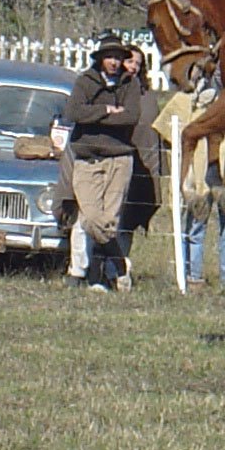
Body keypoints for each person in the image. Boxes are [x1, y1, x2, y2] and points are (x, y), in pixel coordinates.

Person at [152, 91, 225, 291]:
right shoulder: (189, 98)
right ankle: (192, 277)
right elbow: (169, 132)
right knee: (196, 225)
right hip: (199, 172)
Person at [62, 34, 140, 292]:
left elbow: (130, 117)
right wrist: (107, 110)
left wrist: (92, 115)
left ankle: (96, 276)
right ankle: (119, 263)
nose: (114, 63)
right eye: (110, 57)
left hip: (119, 159)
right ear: (100, 59)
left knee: (110, 219)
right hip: (87, 159)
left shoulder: (130, 84)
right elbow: (73, 112)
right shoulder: (86, 81)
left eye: (118, 57)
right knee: (91, 217)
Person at [111, 44, 163, 283]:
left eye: (137, 64)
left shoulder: (147, 97)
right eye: (129, 61)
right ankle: (100, 267)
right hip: (112, 161)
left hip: (141, 167)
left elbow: (153, 132)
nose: (132, 67)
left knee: (128, 219)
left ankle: (120, 269)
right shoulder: (109, 91)